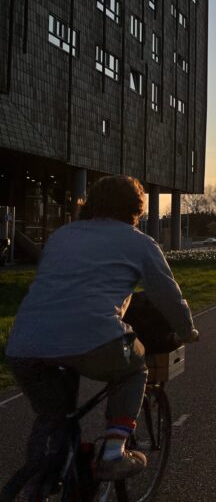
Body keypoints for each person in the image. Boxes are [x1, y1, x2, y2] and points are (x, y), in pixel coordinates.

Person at [5, 175, 197, 481]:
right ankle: (112, 453)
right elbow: (167, 295)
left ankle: (38, 479)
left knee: (53, 415)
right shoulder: (139, 243)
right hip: (93, 338)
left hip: (24, 344)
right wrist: (186, 330)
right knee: (135, 369)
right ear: (136, 209)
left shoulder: (62, 236)